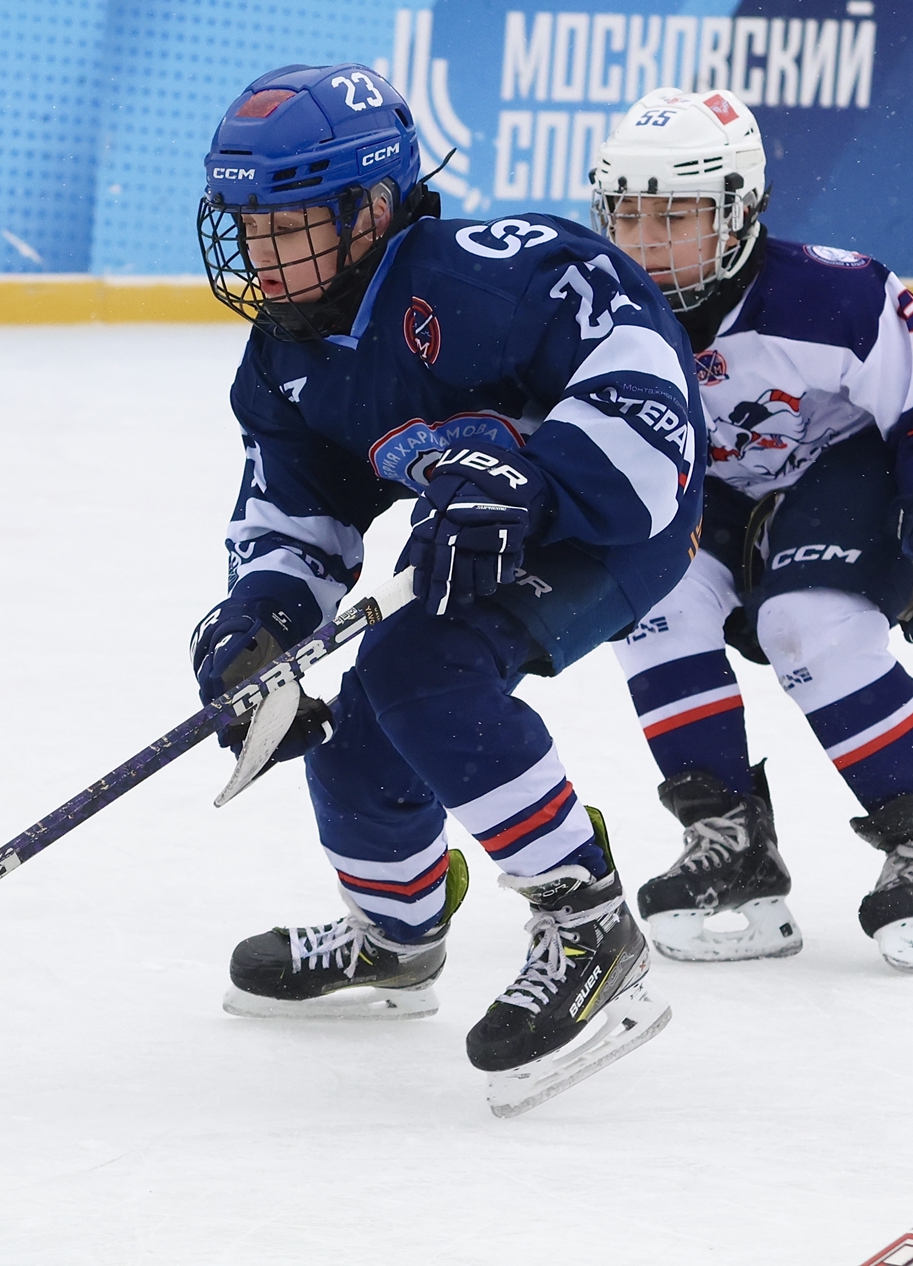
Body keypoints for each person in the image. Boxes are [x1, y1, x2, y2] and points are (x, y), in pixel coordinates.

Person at [189, 64, 707, 1116]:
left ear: (370, 210)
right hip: (478, 523)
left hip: (620, 514)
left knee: (416, 666)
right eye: (245, 224)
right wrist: (262, 622)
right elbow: (297, 515)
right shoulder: (286, 358)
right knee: (350, 705)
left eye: (285, 225)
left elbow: (648, 377)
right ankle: (394, 937)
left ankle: (588, 926)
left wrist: (542, 482)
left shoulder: (488, 276)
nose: (257, 252)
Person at [593, 89, 913, 972]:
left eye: (678, 216)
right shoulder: (593, 313)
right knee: (645, 598)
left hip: (841, 469)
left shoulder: (835, 295)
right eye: (629, 217)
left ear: (741, 212)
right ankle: (730, 838)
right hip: (711, 489)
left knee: (805, 622)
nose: (649, 245)